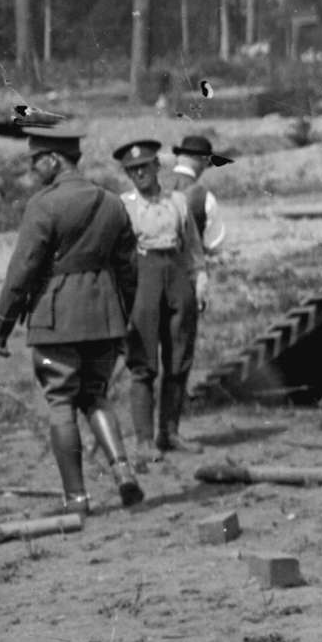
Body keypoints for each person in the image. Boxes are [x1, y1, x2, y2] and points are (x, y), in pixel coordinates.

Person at [0, 124, 145, 510]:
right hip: (104, 317)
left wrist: (1, 323)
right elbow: (129, 270)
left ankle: (77, 496)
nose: (32, 169)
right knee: (95, 395)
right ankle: (123, 472)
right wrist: (126, 319)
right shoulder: (112, 203)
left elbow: (22, 271)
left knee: (61, 401)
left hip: (56, 318)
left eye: (36, 161)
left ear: (53, 159)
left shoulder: (43, 205)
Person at [114, 137, 202, 455]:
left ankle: (171, 432)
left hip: (177, 276)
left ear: (157, 166)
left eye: (144, 167)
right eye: (132, 170)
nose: (139, 174)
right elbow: (117, 256)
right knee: (143, 362)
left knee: (178, 359)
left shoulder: (178, 201)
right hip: (142, 280)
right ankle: (144, 440)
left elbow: (193, 246)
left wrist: (200, 279)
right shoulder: (123, 207)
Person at [168, 132, 233, 450]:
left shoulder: (153, 189)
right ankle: (170, 430)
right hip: (185, 283)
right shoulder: (202, 197)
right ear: (205, 161)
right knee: (179, 357)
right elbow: (215, 245)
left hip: (147, 284)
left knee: (147, 361)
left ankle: (145, 434)